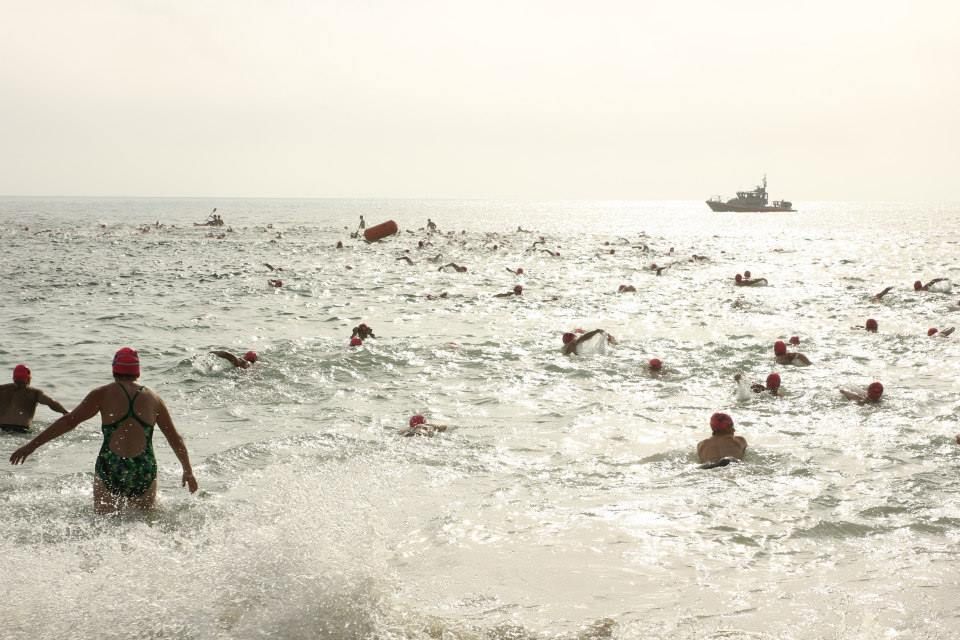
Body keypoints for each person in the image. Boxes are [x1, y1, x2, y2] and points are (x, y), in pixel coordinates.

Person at [9, 347, 198, 514]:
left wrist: (31, 446)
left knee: (102, 526)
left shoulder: (102, 394)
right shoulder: (154, 398)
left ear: (115, 369)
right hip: (143, 468)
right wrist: (188, 470)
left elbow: (69, 421)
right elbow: (174, 438)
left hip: (110, 465)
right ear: (137, 371)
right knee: (145, 524)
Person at [0, 365, 69, 433]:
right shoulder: (34, 393)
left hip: (2, 429)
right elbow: (51, 403)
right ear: (28, 378)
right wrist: (65, 413)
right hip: (21, 430)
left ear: (13, 378)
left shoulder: (2, 389)